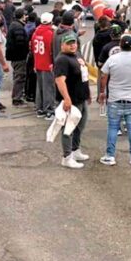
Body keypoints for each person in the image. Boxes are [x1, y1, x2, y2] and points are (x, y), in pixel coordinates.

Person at [98, 36, 131, 166]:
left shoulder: (112, 59)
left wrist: (102, 92)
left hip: (115, 99)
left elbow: (104, 76)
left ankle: (110, 156)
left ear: (120, 46)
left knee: (112, 127)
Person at [54, 33, 91, 169]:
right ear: (62, 44)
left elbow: (83, 74)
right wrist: (67, 99)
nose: (72, 45)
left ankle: (75, 150)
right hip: (72, 100)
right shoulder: (62, 60)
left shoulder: (77, 55)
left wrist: (87, 94)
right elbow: (59, 80)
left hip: (81, 98)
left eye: (74, 42)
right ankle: (67, 156)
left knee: (80, 126)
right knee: (68, 129)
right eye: (69, 43)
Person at [32, 12, 56, 119]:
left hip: (38, 62)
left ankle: (40, 108)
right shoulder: (50, 33)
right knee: (49, 88)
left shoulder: (36, 32)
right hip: (48, 64)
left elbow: (32, 48)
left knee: (39, 87)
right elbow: (52, 50)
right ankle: (49, 110)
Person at [6, 8, 29, 106]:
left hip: (14, 56)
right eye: (25, 15)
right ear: (22, 16)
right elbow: (20, 42)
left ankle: (16, 96)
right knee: (20, 77)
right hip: (19, 57)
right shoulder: (18, 27)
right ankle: (17, 99)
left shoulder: (13, 25)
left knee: (17, 76)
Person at [24, 13, 38, 103]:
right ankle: (32, 94)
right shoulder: (34, 32)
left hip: (30, 55)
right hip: (35, 57)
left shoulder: (28, 29)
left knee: (29, 76)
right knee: (33, 77)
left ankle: (27, 93)